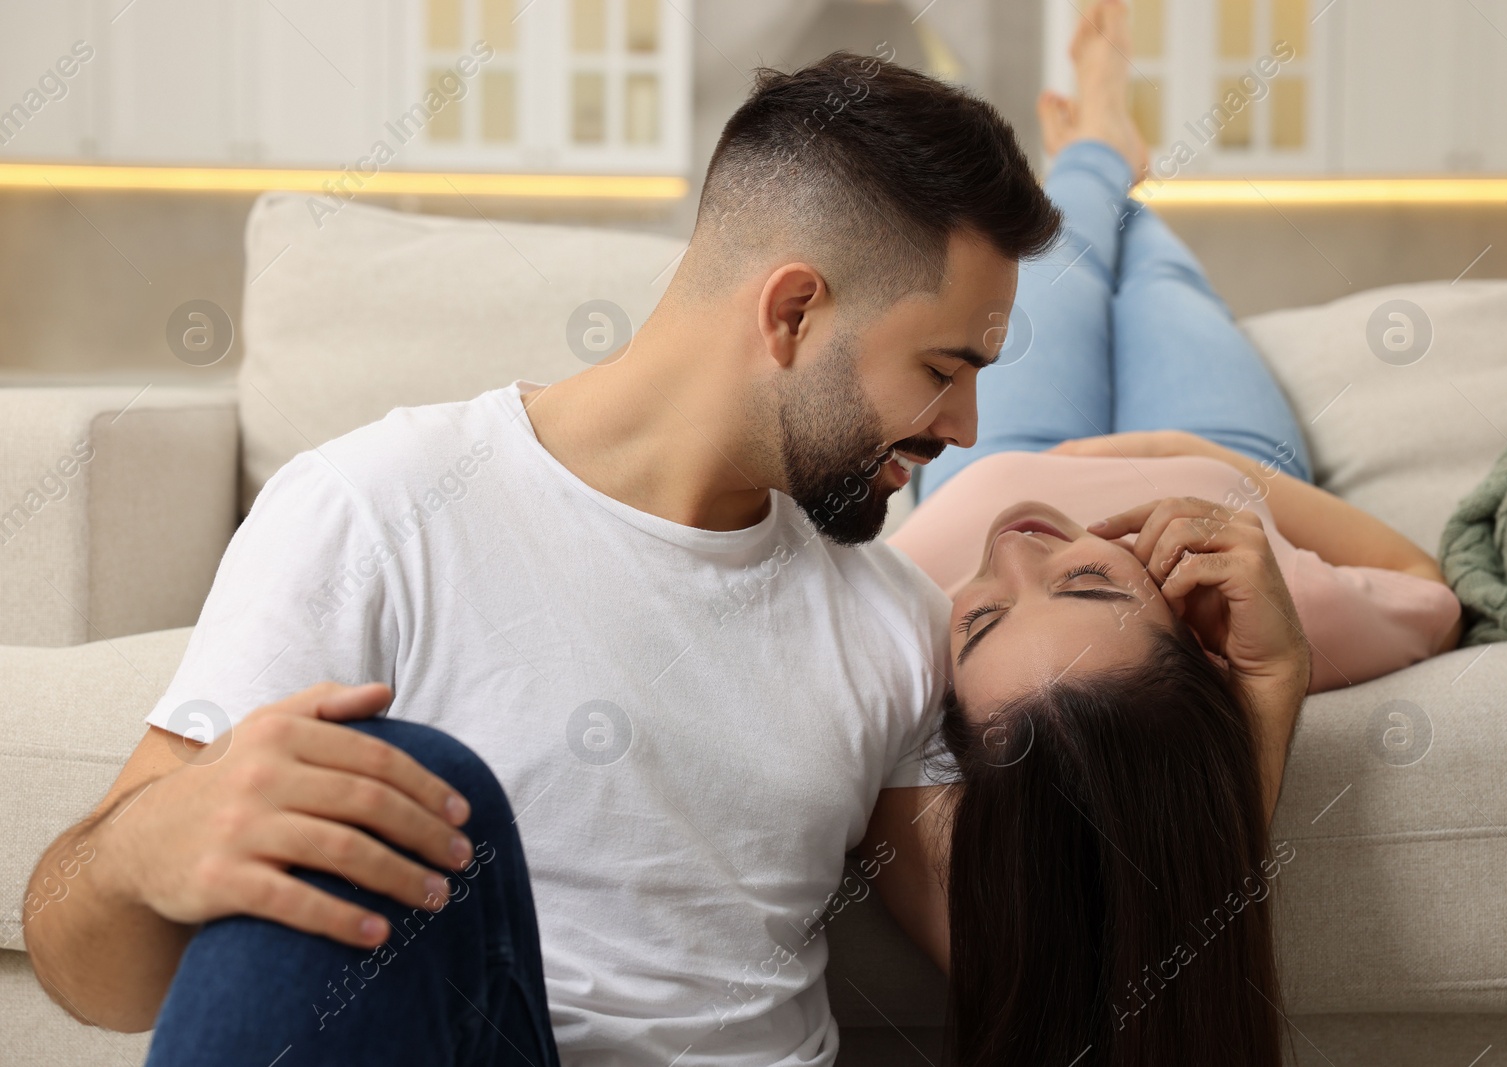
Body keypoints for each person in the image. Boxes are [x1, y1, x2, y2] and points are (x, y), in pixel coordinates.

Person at [21, 54, 1063, 1065]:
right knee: (403, 781)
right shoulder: (374, 508)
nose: (964, 426)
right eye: (942, 368)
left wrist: (1235, 687)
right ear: (792, 313)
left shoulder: (890, 616)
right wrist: (151, 843)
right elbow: (88, 972)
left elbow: (1049, 975)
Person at [879, 4, 1464, 1064]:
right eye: (1093, 589)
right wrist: (1271, 670)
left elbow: (1054, 974)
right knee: (1161, 275)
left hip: (991, 448)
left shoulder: (896, 654)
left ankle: (1102, 151)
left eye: (984, 623)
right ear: (1188, 631)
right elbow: (1427, 584)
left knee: (1059, 261)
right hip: (1219, 452)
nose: (1018, 547)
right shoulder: (1284, 607)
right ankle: (1112, 155)